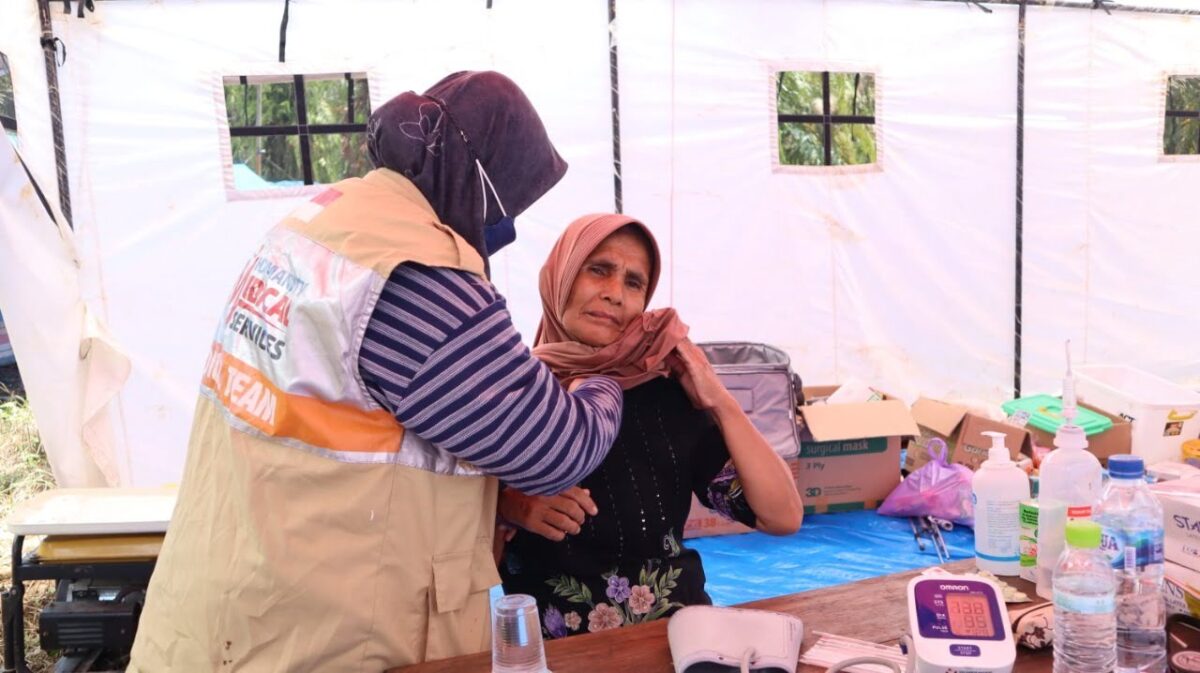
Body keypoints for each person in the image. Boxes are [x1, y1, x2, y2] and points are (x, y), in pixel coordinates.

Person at [128, 72, 624, 672]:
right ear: (481, 176)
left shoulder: (322, 225)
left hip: (234, 596)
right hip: (327, 636)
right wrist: (605, 376)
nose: (505, 221)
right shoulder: (418, 275)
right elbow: (556, 448)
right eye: (510, 198)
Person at [498, 213, 803, 638]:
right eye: (598, 270)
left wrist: (721, 402)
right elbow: (445, 542)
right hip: (560, 653)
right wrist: (507, 507)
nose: (615, 294)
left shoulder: (664, 397)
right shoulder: (509, 395)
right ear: (560, 277)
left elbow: (782, 516)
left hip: (679, 642)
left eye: (633, 282)